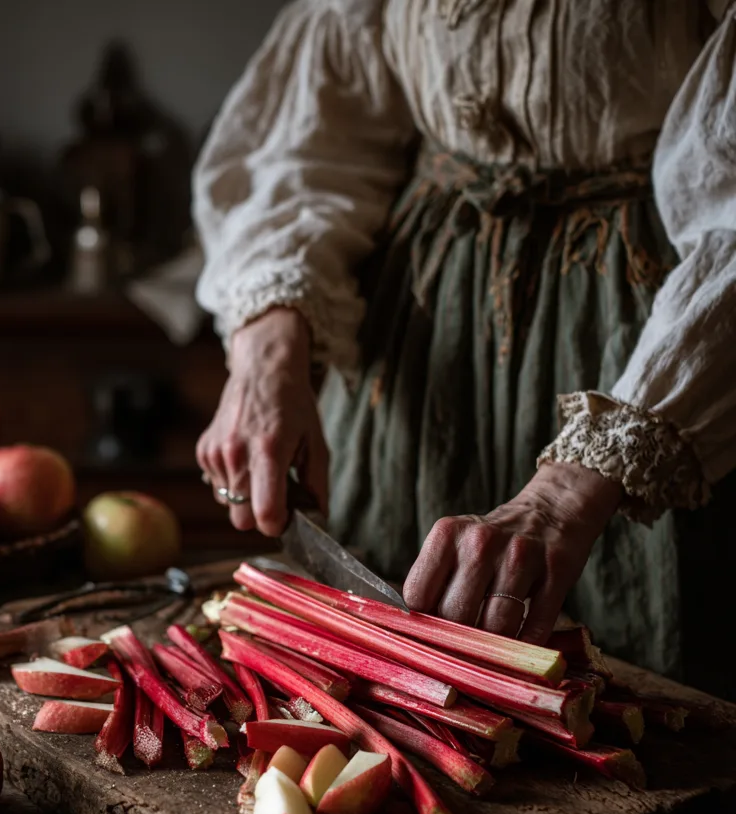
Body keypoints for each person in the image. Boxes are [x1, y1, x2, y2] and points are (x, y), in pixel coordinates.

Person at [192, 0, 736, 694]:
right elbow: (319, 136)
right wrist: (267, 346)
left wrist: (573, 488)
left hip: (665, 344)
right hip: (423, 336)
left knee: (646, 684)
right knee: (391, 668)